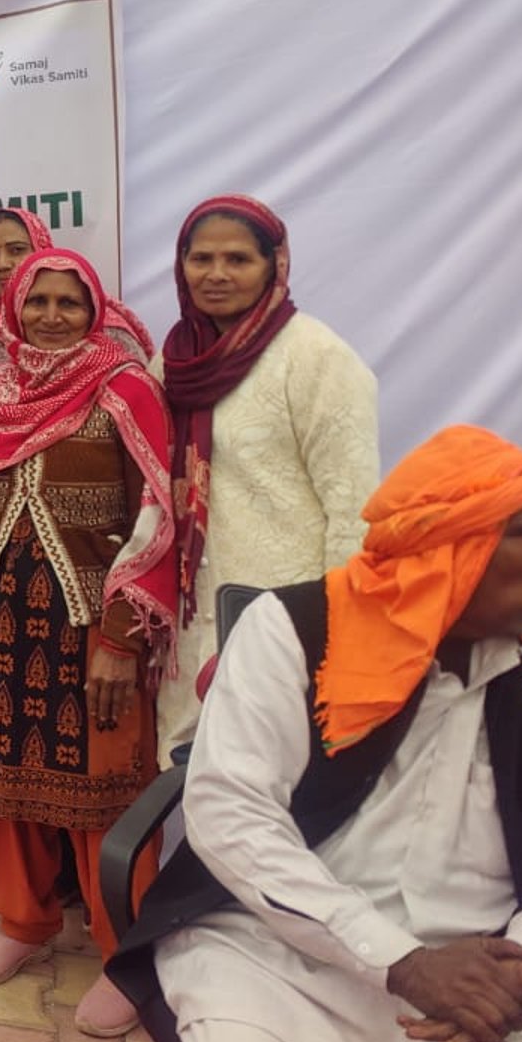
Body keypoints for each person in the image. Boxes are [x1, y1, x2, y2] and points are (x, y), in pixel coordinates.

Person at [110, 425, 522, 1042]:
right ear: (451, 545)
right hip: (276, 957)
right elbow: (233, 816)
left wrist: (519, 968)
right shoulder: (292, 631)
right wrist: (404, 963)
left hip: (484, 965)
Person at [0, 248, 178, 1038]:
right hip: (6, 622)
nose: (50, 316)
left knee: (107, 789)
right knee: (7, 777)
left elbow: (158, 519)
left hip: (93, 630)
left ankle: (127, 954)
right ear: (13, 308)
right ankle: (25, 922)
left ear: (94, 308)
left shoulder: (126, 386)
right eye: (38, 301)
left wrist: (120, 637)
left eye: (69, 302)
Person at [154, 194, 379, 753]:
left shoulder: (316, 359)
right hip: (191, 620)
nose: (216, 275)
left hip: (283, 617)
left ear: (275, 265)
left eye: (238, 259)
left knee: (273, 786)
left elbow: (356, 513)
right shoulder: (174, 362)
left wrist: (334, 637)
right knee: (198, 783)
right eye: (200, 259)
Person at [0, 206, 152, 409]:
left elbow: (143, 408)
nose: (2, 264)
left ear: (42, 249)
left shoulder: (107, 331)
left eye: (16, 250)